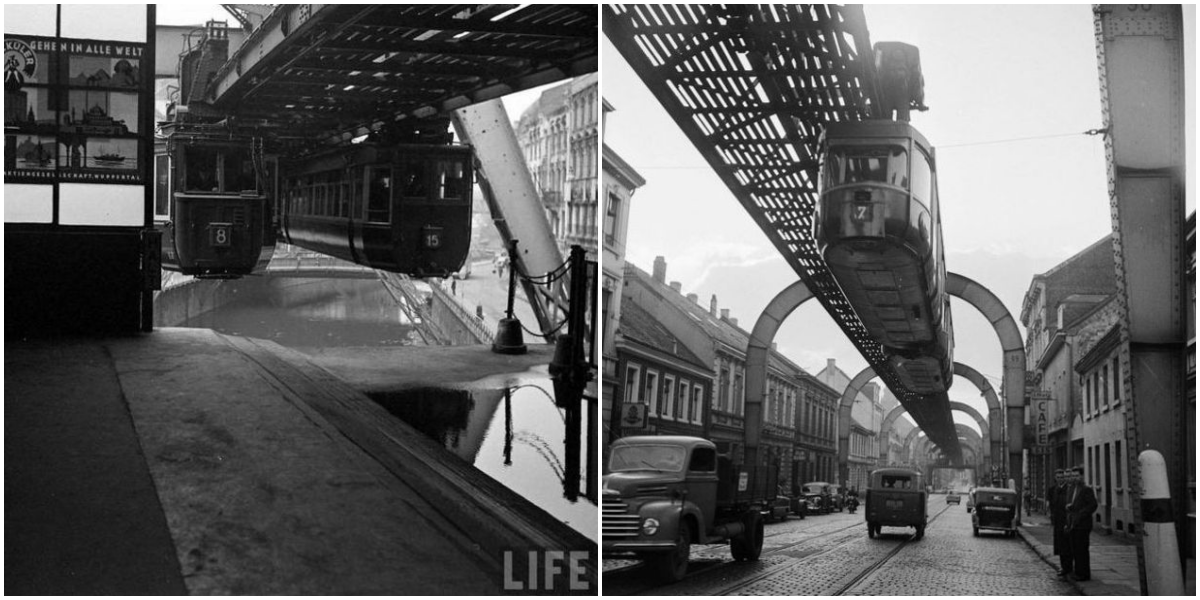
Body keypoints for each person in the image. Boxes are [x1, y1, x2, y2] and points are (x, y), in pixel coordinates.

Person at [1064, 466, 1098, 581]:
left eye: (1077, 476)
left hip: (1083, 524)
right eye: (1073, 476)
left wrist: (1081, 513)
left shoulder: (1086, 489)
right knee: (1075, 549)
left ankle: (1083, 574)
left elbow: (1093, 505)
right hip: (1073, 524)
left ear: (1082, 476)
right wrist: (1070, 507)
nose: (1075, 478)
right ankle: (1077, 571)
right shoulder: (1072, 489)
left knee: (1082, 549)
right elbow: (1074, 503)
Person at [1047, 468, 1073, 578]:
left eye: (1062, 477)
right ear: (1055, 478)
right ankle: (1063, 566)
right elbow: (1050, 504)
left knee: (1067, 546)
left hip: (1066, 521)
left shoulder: (1069, 489)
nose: (1060, 479)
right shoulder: (1053, 489)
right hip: (1057, 521)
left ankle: (1068, 567)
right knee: (1060, 546)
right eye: (1058, 478)